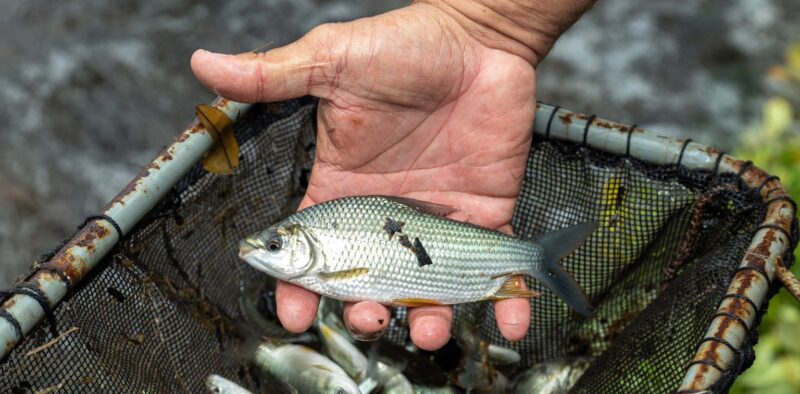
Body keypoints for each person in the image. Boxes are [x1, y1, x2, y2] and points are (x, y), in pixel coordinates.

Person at [191, 0, 596, 351]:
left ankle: (537, 256)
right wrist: (482, 25)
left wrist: (480, 26)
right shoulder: (319, 247)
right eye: (275, 245)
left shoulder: (324, 263)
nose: (266, 249)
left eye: (276, 245)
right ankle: (535, 257)